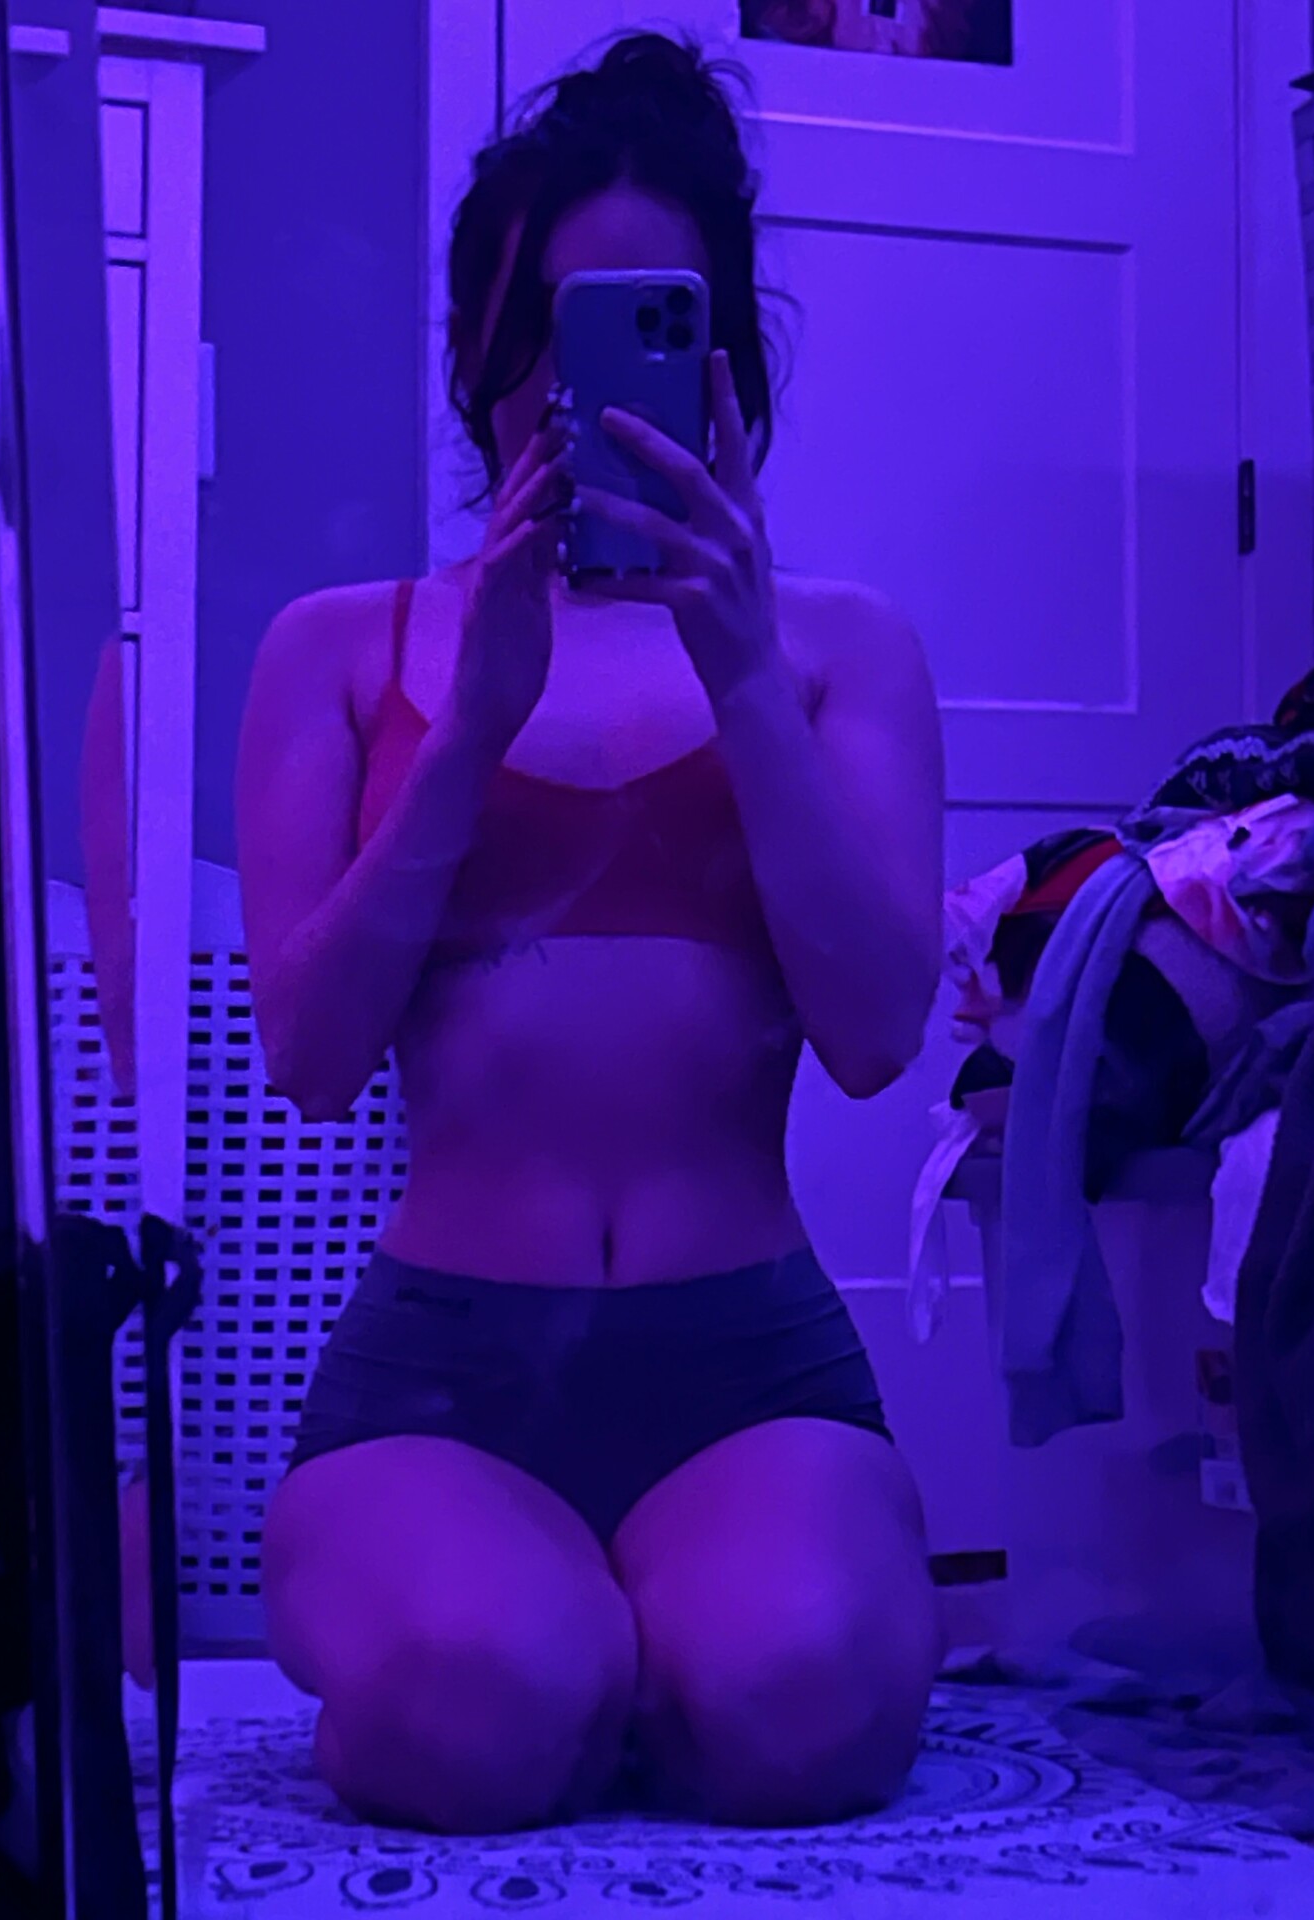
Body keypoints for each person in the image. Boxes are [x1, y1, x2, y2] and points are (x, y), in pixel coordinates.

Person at [241, 32, 945, 1834]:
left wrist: (743, 677)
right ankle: (549, 1652)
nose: (582, 384)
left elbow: (877, 1035)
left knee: (801, 1715)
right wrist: (468, 726)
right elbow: (310, 1058)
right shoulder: (342, 648)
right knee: (485, 1708)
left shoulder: (840, 652)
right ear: (483, 345)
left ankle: (653, 1646)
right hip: (442, 1374)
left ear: (720, 357)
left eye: (645, 322)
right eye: (548, 326)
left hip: (747, 1363)